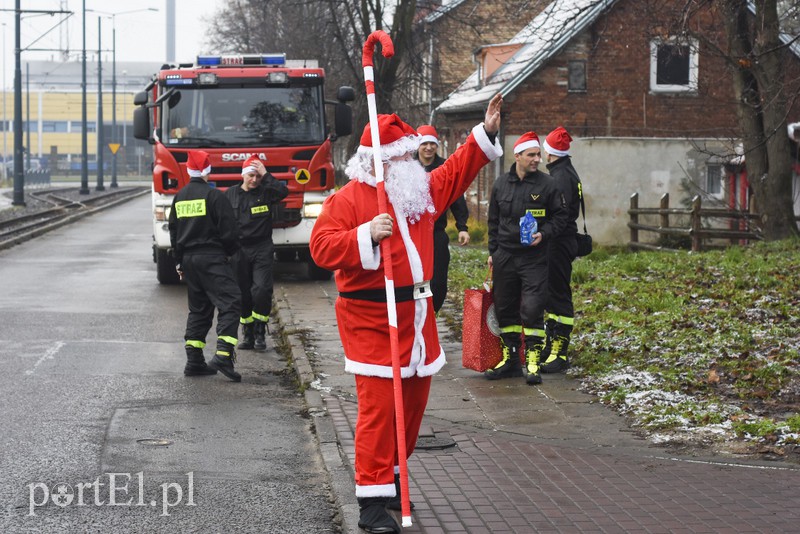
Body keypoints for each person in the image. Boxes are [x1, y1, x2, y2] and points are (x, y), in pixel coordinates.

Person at [309, 94, 503, 534]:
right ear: (378, 162)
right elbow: (321, 248)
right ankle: (372, 504)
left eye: (409, 156)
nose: (410, 162)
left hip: (417, 317)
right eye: (400, 157)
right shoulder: (348, 199)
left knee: (412, 410)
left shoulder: (420, 189)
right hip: (372, 321)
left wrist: (485, 133)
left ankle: (393, 475)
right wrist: (365, 236)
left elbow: (455, 171)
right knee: (378, 413)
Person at [485, 131, 567, 385]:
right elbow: (493, 221)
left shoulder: (548, 184)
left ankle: (532, 360)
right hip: (505, 257)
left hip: (534, 258)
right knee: (505, 308)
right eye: (531, 155)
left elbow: (561, 218)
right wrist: (493, 252)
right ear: (517, 156)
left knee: (532, 308)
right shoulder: (500, 184)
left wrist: (544, 234)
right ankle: (510, 359)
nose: (537, 159)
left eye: (538, 155)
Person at [168, 150, 242, 382]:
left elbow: (173, 231)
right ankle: (222, 355)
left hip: (189, 261)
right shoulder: (215, 197)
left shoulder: (179, 197)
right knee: (231, 302)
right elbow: (229, 231)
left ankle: (194, 361)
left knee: (199, 309)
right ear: (208, 170)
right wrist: (229, 254)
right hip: (211, 258)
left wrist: (180, 261)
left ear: (189, 170)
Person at [225, 155, 289, 351]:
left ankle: (261, 330)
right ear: (243, 175)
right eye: (251, 175)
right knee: (243, 293)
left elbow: (283, 191)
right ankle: (249, 333)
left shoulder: (266, 192)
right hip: (239, 250)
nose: (254, 180)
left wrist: (266, 174)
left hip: (261, 247)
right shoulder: (230, 195)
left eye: (257, 176)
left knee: (261, 289)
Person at [541, 126, 583, 373]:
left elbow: (560, 213)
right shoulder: (565, 172)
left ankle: (560, 351)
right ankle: (551, 345)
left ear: (549, 152)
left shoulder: (560, 177)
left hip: (558, 242)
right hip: (559, 240)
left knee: (559, 296)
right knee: (552, 294)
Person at [416, 125, 471, 313]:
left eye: (432, 143)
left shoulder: (444, 167)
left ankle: (432, 311)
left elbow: (456, 197)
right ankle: (416, 317)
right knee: (415, 280)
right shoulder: (408, 167)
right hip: (414, 235)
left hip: (436, 234)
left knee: (438, 282)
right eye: (424, 144)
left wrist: (462, 226)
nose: (429, 148)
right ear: (418, 146)